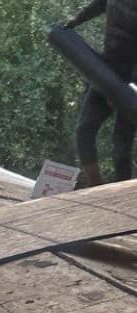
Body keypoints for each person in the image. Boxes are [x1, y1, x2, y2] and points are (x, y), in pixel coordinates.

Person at [65, 1, 137, 184]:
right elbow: (98, 5)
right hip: (106, 70)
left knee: (121, 145)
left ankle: (123, 192)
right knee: (84, 130)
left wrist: (124, 90)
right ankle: (96, 185)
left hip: (132, 80)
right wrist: (75, 21)